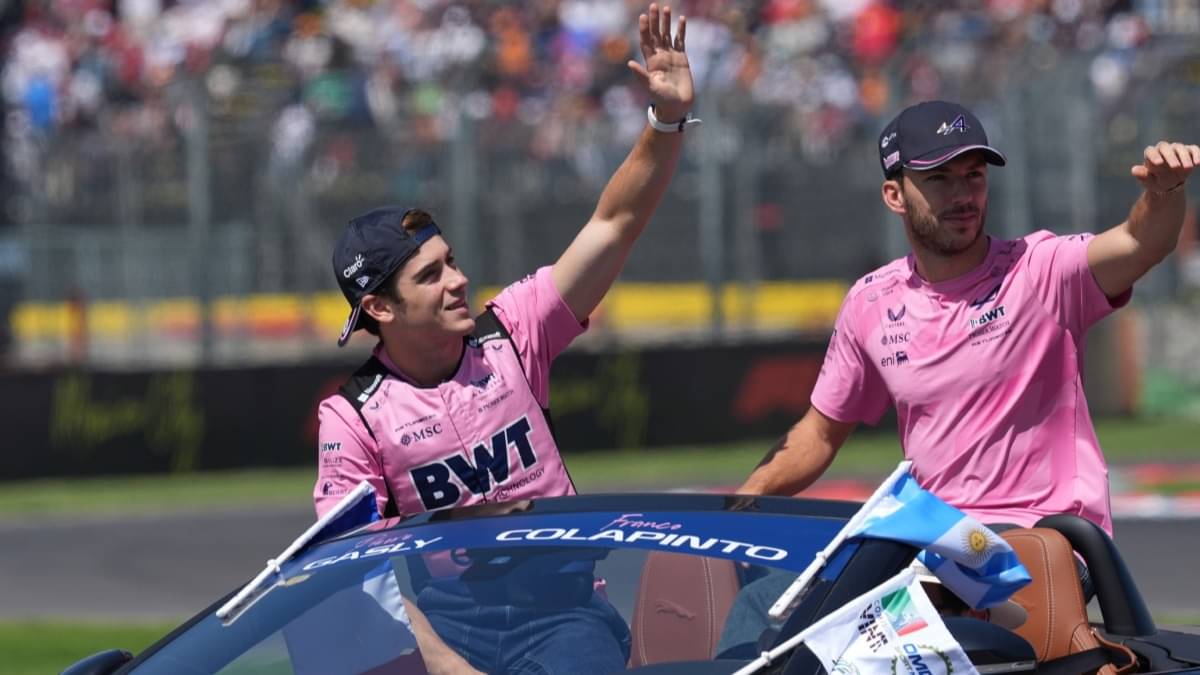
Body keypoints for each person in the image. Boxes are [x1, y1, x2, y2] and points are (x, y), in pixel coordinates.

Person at [312, 5, 696, 673]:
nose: (459, 281)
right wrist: (443, 663)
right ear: (380, 306)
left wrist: (664, 122)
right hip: (449, 631)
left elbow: (613, 225)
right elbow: (351, 574)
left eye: (453, 261)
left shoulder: (512, 330)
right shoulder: (353, 416)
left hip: (565, 614)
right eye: (431, 275)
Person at [739, 99, 1198, 537]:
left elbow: (1142, 243)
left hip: (1043, 537)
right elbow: (819, 433)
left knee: (938, 605)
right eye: (940, 179)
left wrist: (1165, 192)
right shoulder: (869, 301)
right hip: (935, 543)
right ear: (894, 195)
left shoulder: (1039, 268)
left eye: (974, 176)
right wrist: (744, 501)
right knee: (781, 603)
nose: (963, 195)